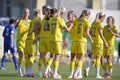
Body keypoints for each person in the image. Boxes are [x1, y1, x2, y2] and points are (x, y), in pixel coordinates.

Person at [84, 12, 108, 79]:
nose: (104, 19)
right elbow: (101, 33)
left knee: (94, 58)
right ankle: (97, 75)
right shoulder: (99, 24)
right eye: (104, 17)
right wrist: (105, 41)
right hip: (99, 43)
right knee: (98, 58)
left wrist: (97, 16)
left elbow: (91, 31)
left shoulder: (93, 23)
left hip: (94, 42)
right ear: (102, 17)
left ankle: (88, 69)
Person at [72, 10, 93, 79]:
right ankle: (75, 74)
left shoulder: (77, 20)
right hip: (82, 41)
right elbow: (87, 33)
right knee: (81, 58)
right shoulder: (87, 22)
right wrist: (91, 39)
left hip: (75, 41)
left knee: (77, 58)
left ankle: (77, 73)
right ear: (88, 15)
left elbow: (72, 24)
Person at [23, 9, 41, 77]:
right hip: (33, 39)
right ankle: (29, 72)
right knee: (32, 56)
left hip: (28, 39)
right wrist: (37, 36)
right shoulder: (38, 19)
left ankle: (27, 72)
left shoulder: (32, 19)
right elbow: (38, 26)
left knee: (28, 56)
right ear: (39, 13)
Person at [15, 8, 31, 76]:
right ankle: (19, 69)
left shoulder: (30, 21)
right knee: (21, 54)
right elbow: (15, 27)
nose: (26, 14)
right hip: (19, 41)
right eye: (24, 12)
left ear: (29, 14)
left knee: (27, 56)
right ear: (23, 13)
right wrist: (17, 21)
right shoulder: (20, 20)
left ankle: (24, 70)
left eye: (27, 13)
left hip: (27, 41)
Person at [65, 11, 77, 78]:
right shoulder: (69, 23)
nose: (67, 17)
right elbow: (63, 28)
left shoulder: (78, 21)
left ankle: (78, 73)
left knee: (79, 58)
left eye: (68, 15)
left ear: (72, 15)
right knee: (72, 58)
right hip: (74, 42)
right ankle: (71, 74)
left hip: (81, 42)